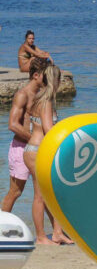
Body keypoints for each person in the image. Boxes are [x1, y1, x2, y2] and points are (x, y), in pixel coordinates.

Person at [23, 65, 73, 245]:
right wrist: (66, 134)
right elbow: (48, 129)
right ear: (55, 80)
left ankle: (58, 233)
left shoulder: (40, 97)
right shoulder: (46, 101)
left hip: (35, 150)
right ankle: (41, 237)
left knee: (53, 194)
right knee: (40, 196)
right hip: (37, 151)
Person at [2, 57, 49, 213]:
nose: (48, 79)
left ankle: (53, 227)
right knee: (15, 192)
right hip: (21, 148)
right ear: (36, 75)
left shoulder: (41, 95)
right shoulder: (23, 95)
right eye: (45, 76)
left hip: (37, 150)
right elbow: (13, 124)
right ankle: (2, 223)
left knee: (44, 193)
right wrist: (33, 140)